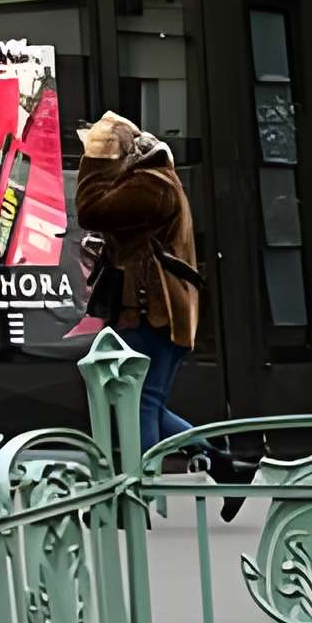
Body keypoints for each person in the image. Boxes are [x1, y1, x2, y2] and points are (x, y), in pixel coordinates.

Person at [74, 113, 200, 454]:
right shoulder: (149, 180)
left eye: (101, 151)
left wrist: (96, 162)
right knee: (146, 403)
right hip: (147, 312)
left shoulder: (150, 186)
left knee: (141, 403)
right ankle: (215, 456)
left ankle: (141, 481)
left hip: (153, 314)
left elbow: (89, 210)